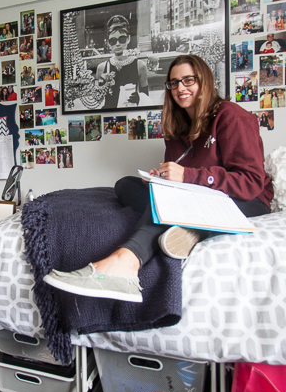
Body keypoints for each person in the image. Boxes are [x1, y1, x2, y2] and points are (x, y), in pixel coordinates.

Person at [43, 55, 273, 302]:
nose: (180, 88)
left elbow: (250, 181)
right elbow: (179, 178)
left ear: (204, 81)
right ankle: (189, 229)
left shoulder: (231, 116)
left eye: (188, 80)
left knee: (173, 203)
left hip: (246, 200)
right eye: (173, 83)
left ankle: (125, 264)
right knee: (125, 185)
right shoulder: (177, 125)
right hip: (197, 197)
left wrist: (187, 176)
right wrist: (161, 179)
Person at [96, 15, 149, 108]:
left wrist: (139, 98)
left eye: (122, 39)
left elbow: (146, 97)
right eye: (113, 41)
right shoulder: (101, 68)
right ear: (108, 43)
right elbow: (97, 99)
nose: (117, 44)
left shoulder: (140, 66)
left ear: (128, 39)